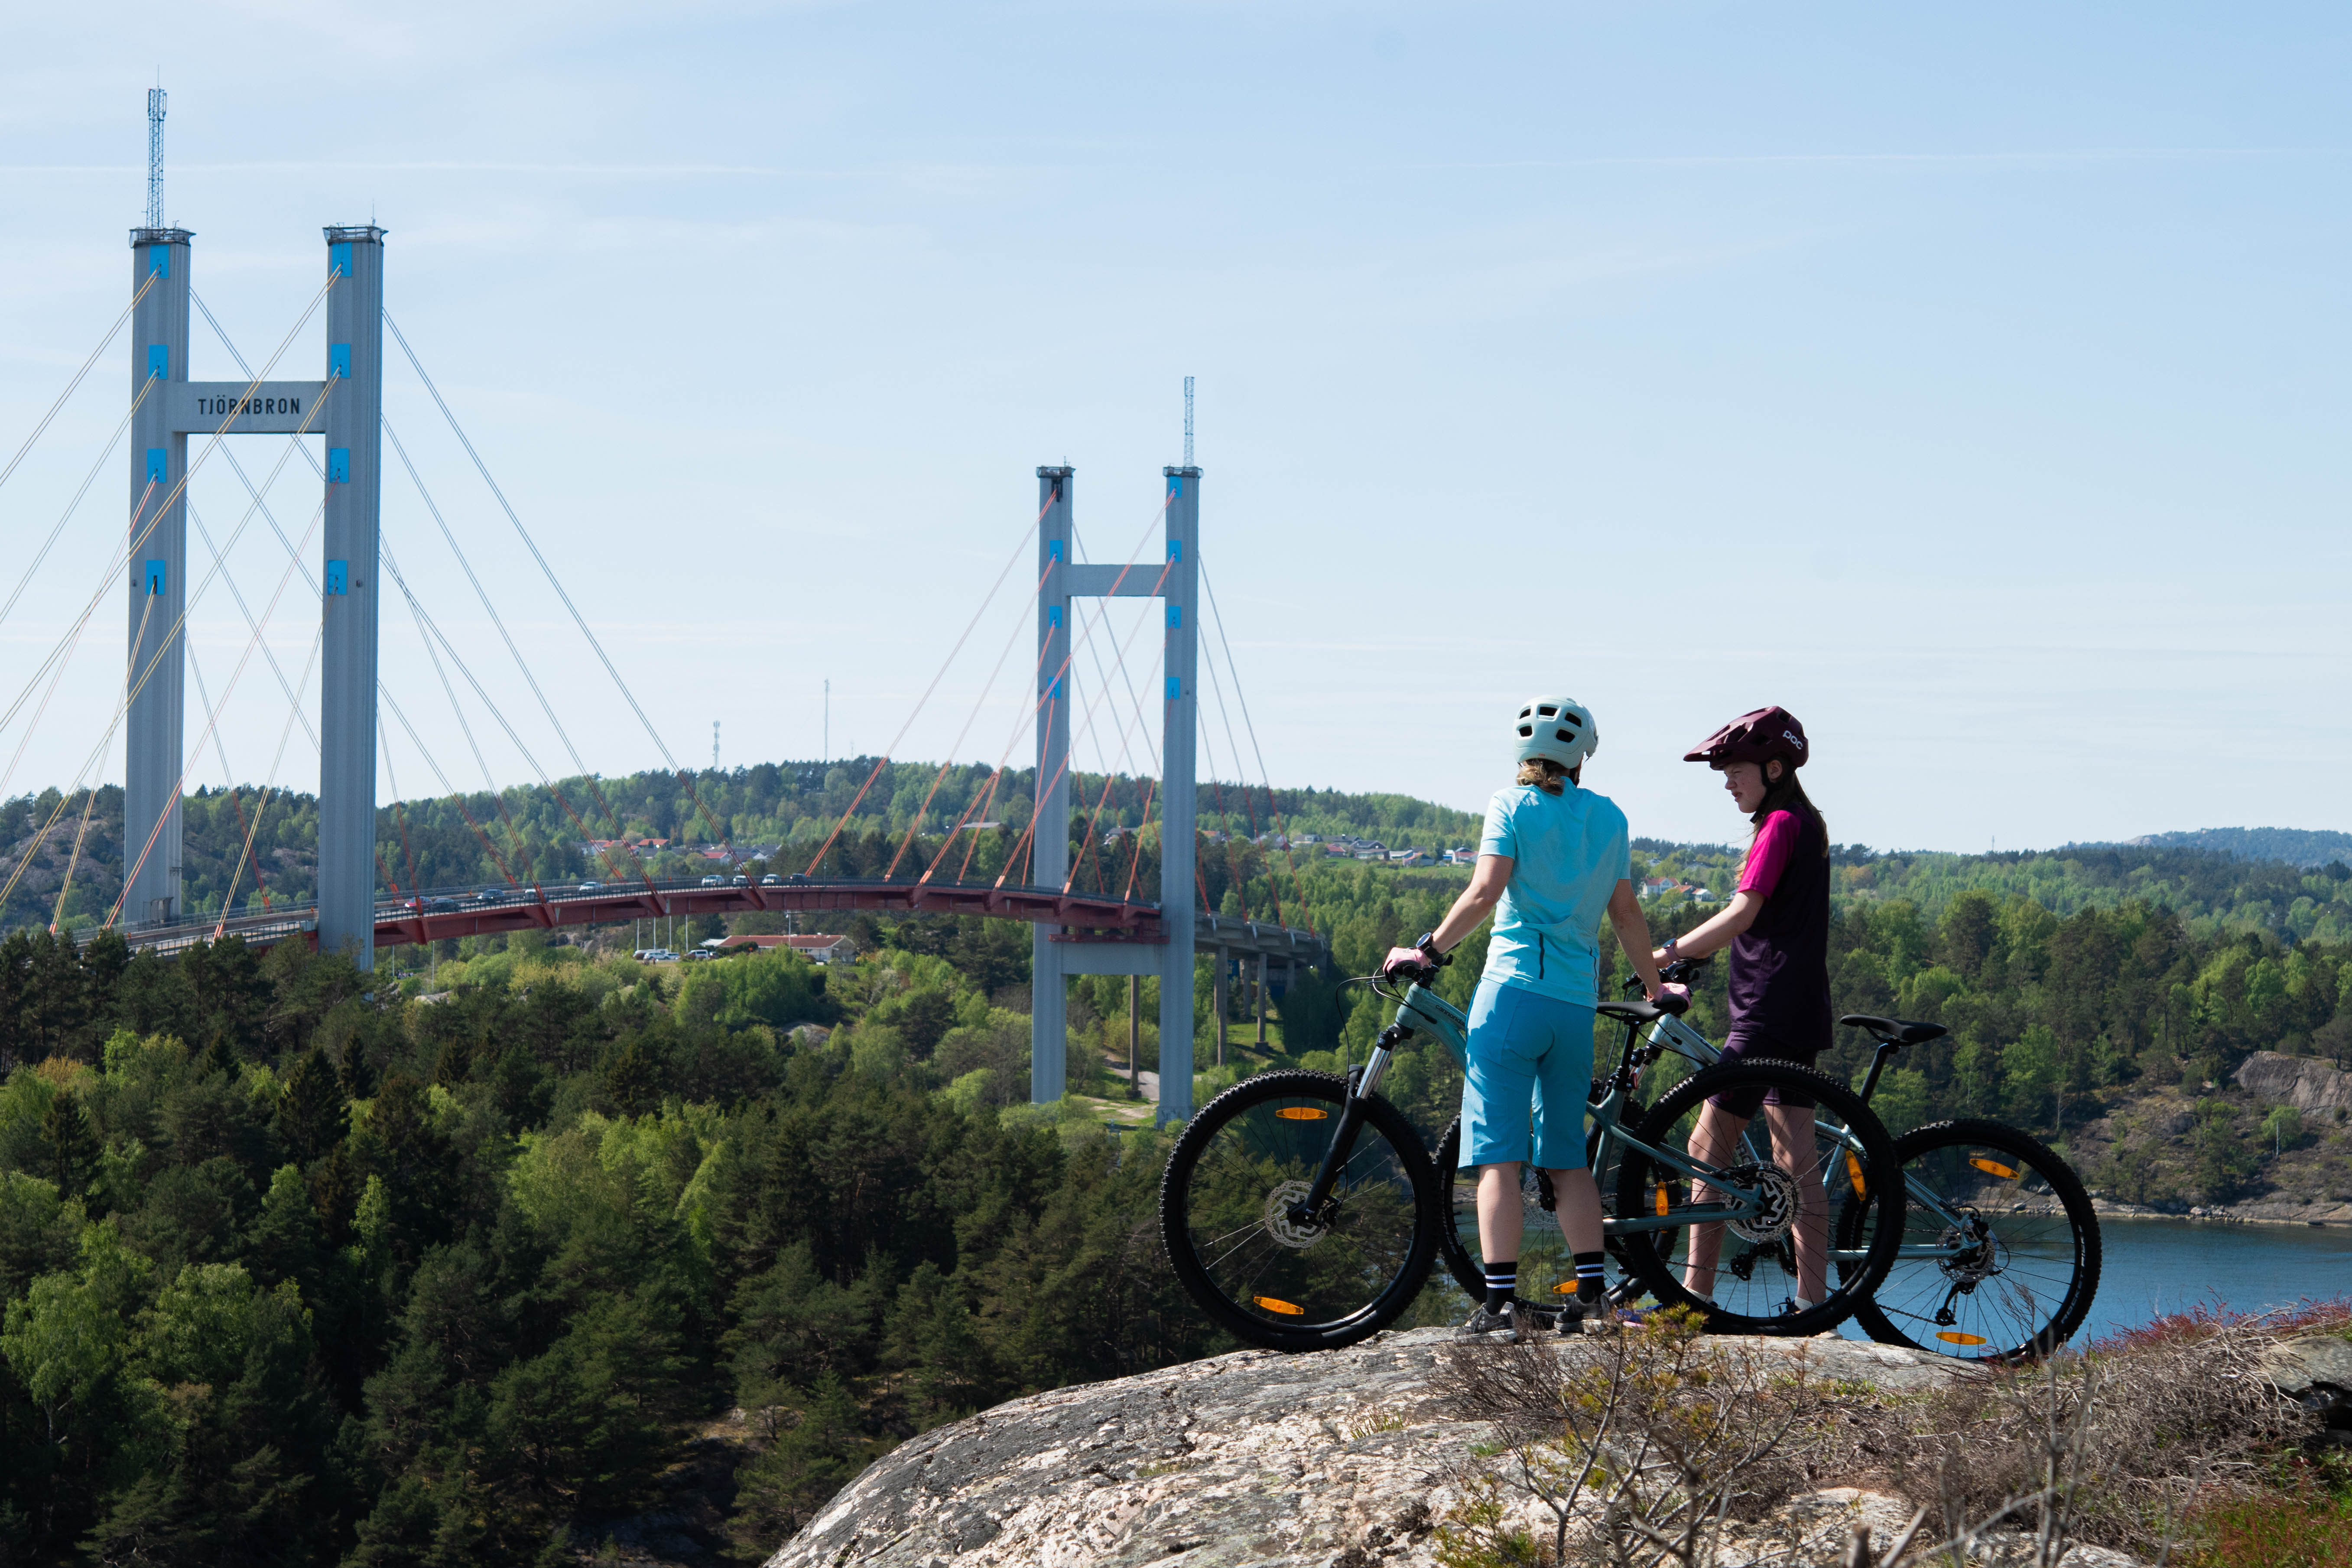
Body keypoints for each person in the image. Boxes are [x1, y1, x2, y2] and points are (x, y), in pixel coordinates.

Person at [1384, 697, 1672, 1342]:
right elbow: (1626, 917)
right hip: (1574, 1008)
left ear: (1522, 752)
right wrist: (1657, 987)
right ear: (1582, 756)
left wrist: (1427, 949)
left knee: (1500, 1160)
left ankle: (1498, 1310)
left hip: (1511, 997)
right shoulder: (1610, 817)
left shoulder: (1510, 806)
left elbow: (1485, 892)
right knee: (1566, 1156)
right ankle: (1594, 1299)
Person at [1651, 705, 1833, 1313]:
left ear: (1774, 767)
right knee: (1796, 1161)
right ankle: (1813, 1304)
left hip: (1767, 1006)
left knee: (1708, 1147)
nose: (1728, 782)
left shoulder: (1780, 824)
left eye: (1736, 771)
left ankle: (1693, 1298)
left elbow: (1742, 915)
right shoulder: (1806, 823)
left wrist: (1667, 953)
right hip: (1799, 1003)